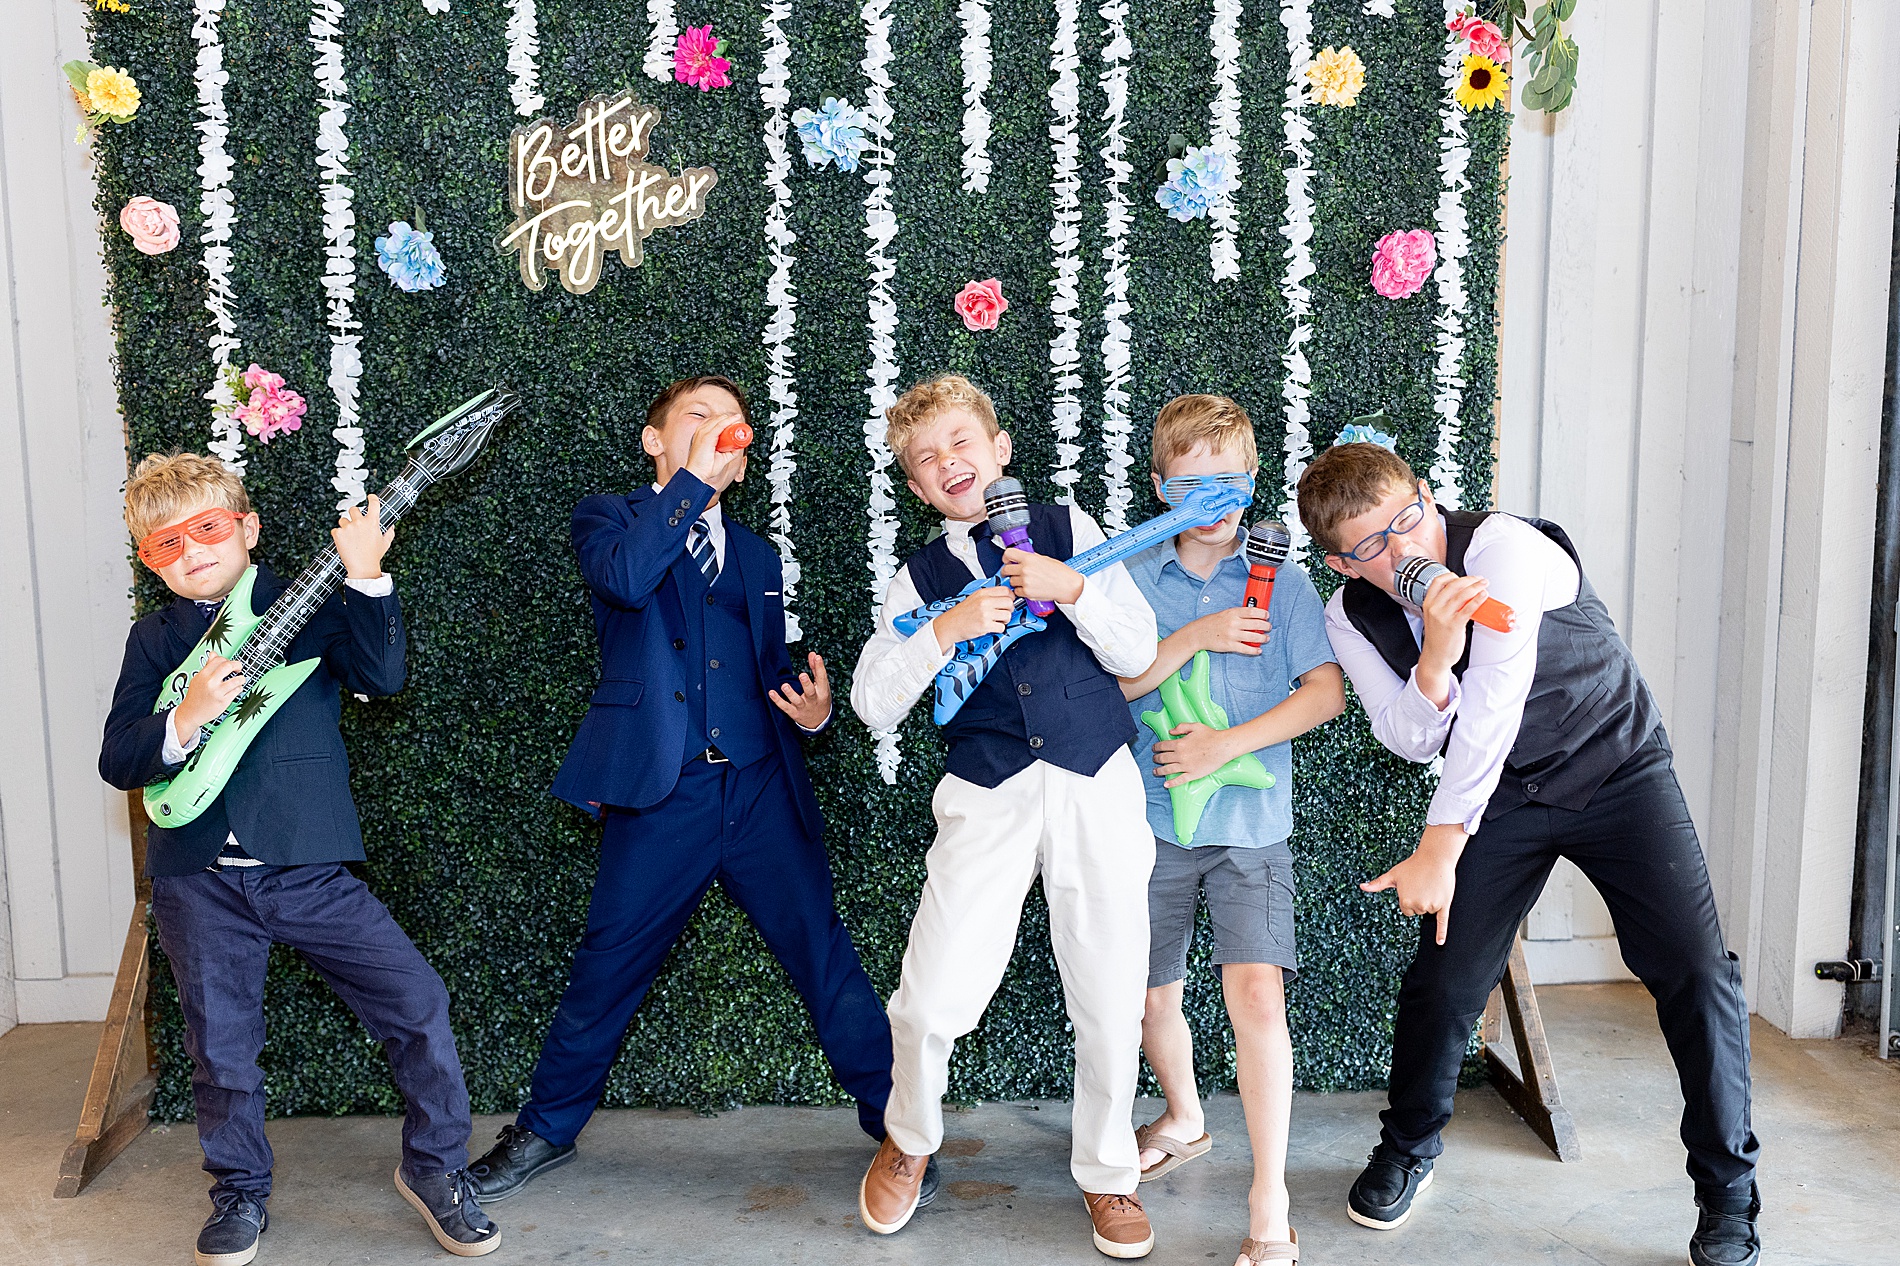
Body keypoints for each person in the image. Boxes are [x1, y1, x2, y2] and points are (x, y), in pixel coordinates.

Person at [1299, 436, 1760, 1266]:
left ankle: (1728, 1191)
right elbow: (1409, 737)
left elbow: (1498, 702)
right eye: (1372, 545)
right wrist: (1435, 653)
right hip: (1503, 797)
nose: (1403, 550)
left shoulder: (1506, 547)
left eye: (1410, 521)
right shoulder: (1350, 615)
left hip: (1617, 767)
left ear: (1429, 498)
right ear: (1341, 564)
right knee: (1446, 978)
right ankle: (1409, 1147)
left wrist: (1439, 842)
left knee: (1694, 969)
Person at [469, 376, 902, 1208]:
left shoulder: (758, 557)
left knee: (826, 958)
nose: (719, 433)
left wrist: (808, 714)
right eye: (698, 419)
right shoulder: (611, 519)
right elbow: (629, 581)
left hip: (760, 788)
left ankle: (896, 1125)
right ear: (654, 441)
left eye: (734, 427)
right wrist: (694, 485)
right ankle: (546, 1128)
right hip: (661, 792)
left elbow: (765, 667)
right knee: (608, 966)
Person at [99, 452, 499, 1265]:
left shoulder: (302, 606)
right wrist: (186, 718)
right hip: (197, 878)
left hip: (309, 865)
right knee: (221, 1049)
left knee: (417, 1004)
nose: (191, 554)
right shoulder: (155, 640)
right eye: (164, 546)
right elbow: (117, 758)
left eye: (207, 531)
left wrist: (368, 577)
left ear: (246, 527)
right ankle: (239, 1193)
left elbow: (383, 677)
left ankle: (435, 1171)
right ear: (150, 561)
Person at [850, 374, 1161, 1258]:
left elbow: (1136, 649)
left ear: (999, 450)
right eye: (925, 457)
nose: (948, 461)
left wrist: (1075, 589)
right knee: (929, 996)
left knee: (1108, 994)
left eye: (960, 442)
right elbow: (874, 701)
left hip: (1094, 780)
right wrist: (941, 634)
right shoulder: (919, 578)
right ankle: (909, 1140)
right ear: (914, 486)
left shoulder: (1072, 529)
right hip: (986, 794)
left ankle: (1109, 1176)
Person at [1117, 396, 1344, 1266]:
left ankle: (1269, 1193)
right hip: (1148, 825)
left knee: (1257, 1000)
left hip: (1251, 827)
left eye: (1230, 482)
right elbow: (1115, 687)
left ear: (1252, 489)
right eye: (1191, 484)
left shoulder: (1282, 579)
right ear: (1160, 488)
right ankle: (1183, 1117)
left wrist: (1225, 747)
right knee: (1147, 994)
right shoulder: (1134, 579)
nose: (1212, 500)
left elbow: (1323, 694)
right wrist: (1200, 636)